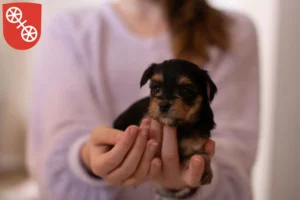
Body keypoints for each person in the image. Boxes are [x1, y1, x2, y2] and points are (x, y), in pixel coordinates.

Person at [27, 0, 260, 199]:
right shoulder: (67, 30)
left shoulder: (233, 31)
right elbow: (55, 155)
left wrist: (191, 183)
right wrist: (86, 160)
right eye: (156, 88)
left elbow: (233, 166)